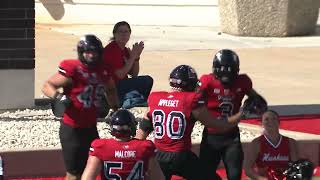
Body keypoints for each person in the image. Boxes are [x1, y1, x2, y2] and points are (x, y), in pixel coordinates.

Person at [135, 65, 244, 180]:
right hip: (181, 156)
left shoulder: (155, 98)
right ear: (189, 84)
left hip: (159, 155)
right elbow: (214, 124)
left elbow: (143, 131)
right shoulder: (191, 100)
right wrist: (239, 115)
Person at [42, 34, 120, 180]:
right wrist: (59, 97)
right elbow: (47, 86)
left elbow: (111, 89)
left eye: (94, 52)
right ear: (81, 52)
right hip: (72, 129)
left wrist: (115, 109)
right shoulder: (73, 68)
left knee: (93, 169)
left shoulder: (104, 69)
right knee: (74, 173)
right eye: (88, 52)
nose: (91, 55)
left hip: (90, 127)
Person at [198, 49, 268, 180]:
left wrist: (255, 105)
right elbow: (193, 101)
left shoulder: (243, 81)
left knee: (234, 175)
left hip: (231, 137)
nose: (226, 80)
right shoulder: (207, 82)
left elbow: (259, 101)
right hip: (211, 136)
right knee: (205, 175)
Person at [81, 109, 164, 180]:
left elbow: (87, 178)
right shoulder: (144, 147)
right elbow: (158, 178)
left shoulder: (101, 146)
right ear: (132, 127)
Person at [103, 21, 153, 109]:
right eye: (120, 32)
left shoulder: (124, 50)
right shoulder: (111, 50)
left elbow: (134, 74)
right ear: (114, 34)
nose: (123, 34)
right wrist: (132, 57)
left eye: (126, 32)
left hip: (120, 84)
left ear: (130, 34)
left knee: (147, 80)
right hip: (111, 87)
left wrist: (136, 58)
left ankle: (132, 99)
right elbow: (120, 74)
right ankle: (127, 100)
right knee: (145, 81)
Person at [244, 110, 300, 180]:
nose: (270, 121)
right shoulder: (256, 143)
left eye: (273, 118)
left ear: (279, 122)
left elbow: (295, 166)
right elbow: (247, 169)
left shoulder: (290, 142)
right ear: (262, 123)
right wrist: (261, 179)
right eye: (266, 119)